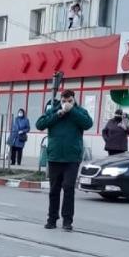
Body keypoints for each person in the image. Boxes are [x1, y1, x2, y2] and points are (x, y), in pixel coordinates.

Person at [36, 89, 93, 231]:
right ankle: (52, 219)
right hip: (55, 157)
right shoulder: (53, 110)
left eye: (69, 101)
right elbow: (40, 124)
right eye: (64, 101)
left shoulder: (80, 111)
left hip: (72, 158)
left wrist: (72, 111)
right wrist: (58, 114)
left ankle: (67, 221)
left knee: (68, 188)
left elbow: (88, 124)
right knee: (54, 190)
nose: (66, 103)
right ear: (60, 100)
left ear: (74, 100)